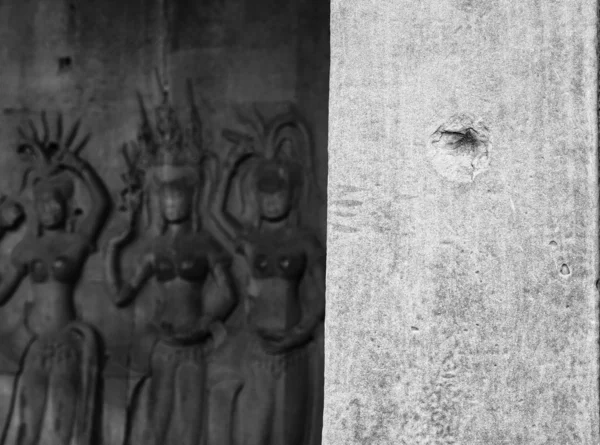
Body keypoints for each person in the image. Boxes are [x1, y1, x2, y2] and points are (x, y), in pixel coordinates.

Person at [0, 112, 109, 445]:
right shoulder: (27, 247)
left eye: (55, 203)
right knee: (27, 424)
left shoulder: (75, 243)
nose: (49, 209)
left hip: (67, 343)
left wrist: (80, 166)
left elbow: (102, 205)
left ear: (66, 205)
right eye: (42, 203)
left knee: (62, 423)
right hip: (34, 344)